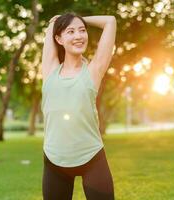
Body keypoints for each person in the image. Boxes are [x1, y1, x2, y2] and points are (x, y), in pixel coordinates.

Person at [41, 12, 116, 200]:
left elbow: (110, 21)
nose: (78, 36)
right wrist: (56, 21)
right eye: (71, 31)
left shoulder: (93, 70)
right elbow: (52, 25)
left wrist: (79, 19)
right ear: (59, 38)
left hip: (92, 157)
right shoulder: (50, 70)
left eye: (82, 31)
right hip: (54, 160)